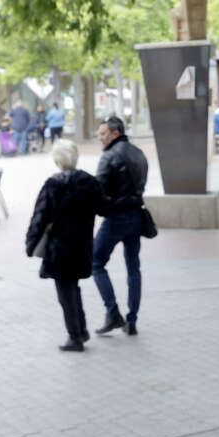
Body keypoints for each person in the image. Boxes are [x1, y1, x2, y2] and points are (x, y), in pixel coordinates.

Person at [24, 139, 102, 352]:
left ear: (57, 160)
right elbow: (102, 207)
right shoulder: (90, 182)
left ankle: (75, 336)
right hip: (82, 245)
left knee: (65, 293)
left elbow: (40, 216)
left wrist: (30, 243)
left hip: (60, 248)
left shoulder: (54, 184)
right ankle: (81, 330)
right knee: (73, 288)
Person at [91, 116, 148, 336]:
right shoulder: (139, 153)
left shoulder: (109, 156)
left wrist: (100, 209)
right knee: (133, 268)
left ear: (116, 133)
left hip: (115, 218)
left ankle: (113, 312)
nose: (100, 137)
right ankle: (132, 320)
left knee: (95, 262)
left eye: (103, 134)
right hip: (136, 216)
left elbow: (98, 190)